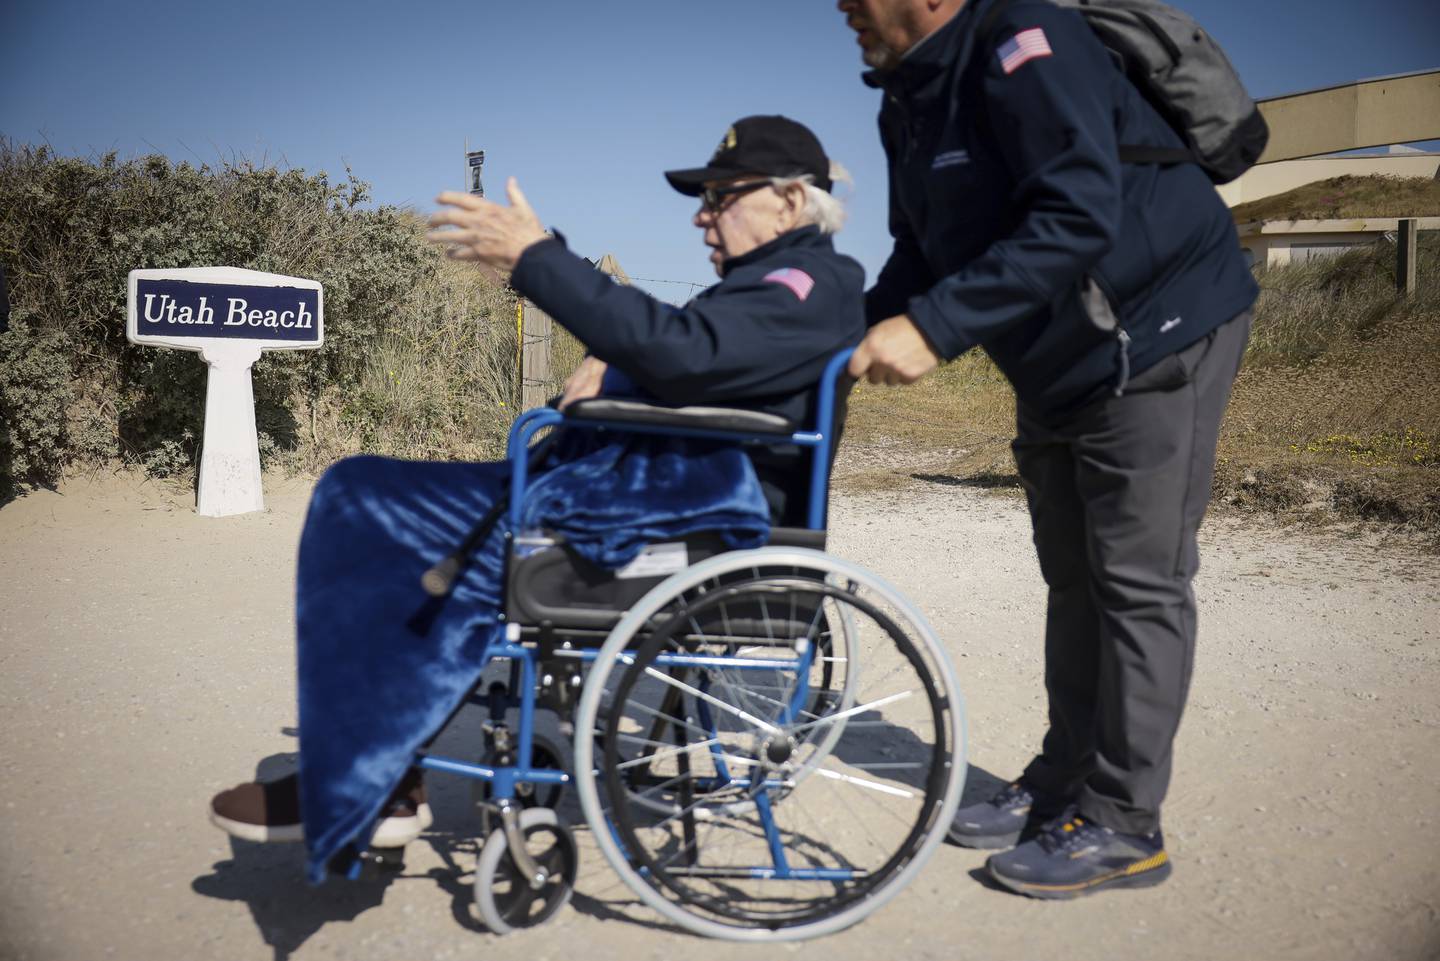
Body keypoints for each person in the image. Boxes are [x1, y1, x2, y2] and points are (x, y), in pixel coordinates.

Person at [207, 116, 866, 882]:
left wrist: (539, 260)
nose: (701, 214)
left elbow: (689, 358)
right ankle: (372, 765)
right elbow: (697, 354)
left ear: (789, 201)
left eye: (720, 197)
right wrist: (613, 363)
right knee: (364, 493)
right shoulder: (787, 284)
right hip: (654, 492)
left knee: (365, 503)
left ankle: (366, 780)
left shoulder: (802, 285)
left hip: (690, 522)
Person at [837, 0, 1258, 899]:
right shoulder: (904, 98)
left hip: (1156, 326)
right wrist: (844, 337)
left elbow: (1078, 213)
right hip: (1057, 357)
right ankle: (1065, 778)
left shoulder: (1029, 41)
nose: (838, 4)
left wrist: (936, 329)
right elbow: (921, 249)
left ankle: (1123, 822)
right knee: (1073, 574)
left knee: (1137, 578)